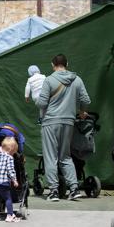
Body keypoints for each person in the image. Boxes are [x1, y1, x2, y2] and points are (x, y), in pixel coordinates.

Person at [36, 54, 91, 202]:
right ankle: (74, 189)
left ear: (53, 65)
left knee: (50, 157)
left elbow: (42, 104)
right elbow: (85, 99)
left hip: (50, 122)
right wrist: (82, 111)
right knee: (65, 156)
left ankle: (54, 192)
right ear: (67, 63)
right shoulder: (77, 79)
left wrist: (37, 99)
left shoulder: (49, 80)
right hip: (68, 121)